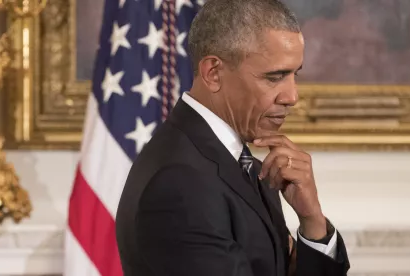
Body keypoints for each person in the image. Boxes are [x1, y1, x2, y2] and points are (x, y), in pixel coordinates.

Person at [115, 0, 350, 275]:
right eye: (275, 77)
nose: (292, 97)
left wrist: (312, 220)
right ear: (213, 73)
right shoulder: (180, 181)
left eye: (294, 75)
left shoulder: (246, 164)